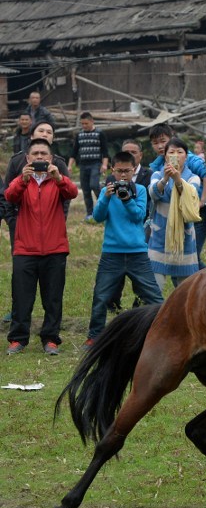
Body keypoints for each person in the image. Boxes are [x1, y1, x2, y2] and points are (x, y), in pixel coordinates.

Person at [83, 151, 164, 348]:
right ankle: (95, 336)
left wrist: (127, 199)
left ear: (133, 170)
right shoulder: (106, 191)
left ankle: (163, 331)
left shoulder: (140, 190)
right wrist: (106, 197)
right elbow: (98, 217)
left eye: (127, 171)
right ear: (113, 170)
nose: (123, 175)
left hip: (137, 253)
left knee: (153, 296)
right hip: (112, 253)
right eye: (119, 171)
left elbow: (138, 216)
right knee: (101, 296)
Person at [5, 138, 78, 356]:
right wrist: (23, 180)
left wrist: (59, 177)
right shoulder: (22, 180)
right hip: (25, 249)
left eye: (43, 154)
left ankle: (51, 338)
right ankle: (18, 339)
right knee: (21, 297)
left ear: (51, 158)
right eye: (35, 154)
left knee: (53, 298)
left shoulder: (57, 180)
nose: (39, 157)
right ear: (28, 158)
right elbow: (9, 196)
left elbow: (73, 192)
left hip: (55, 249)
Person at [147, 124, 206, 268]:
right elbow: (154, 190)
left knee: (192, 254)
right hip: (170, 212)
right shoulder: (158, 165)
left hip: (195, 210)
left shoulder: (190, 159)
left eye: (163, 141)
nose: (160, 146)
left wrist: (202, 200)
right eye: (155, 143)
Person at [3, 121, 71, 252]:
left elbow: (67, 195)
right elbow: (7, 192)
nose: (45, 134)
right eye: (41, 131)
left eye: (49, 132)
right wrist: (12, 220)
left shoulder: (59, 163)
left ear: (53, 138)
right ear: (31, 136)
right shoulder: (17, 161)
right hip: (21, 224)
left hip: (52, 226)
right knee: (21, 259)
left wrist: (62, 218)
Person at [147, 138, 200, 291]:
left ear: (186, 157)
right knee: (154, 289)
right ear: (165, 157)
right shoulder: (157, 175)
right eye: (171, 152)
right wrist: (165, 178)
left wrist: (177, 179)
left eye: (180, 152)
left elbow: (191, 197)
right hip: (159, 238)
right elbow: (153, 194)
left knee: (186, 291)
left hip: (184, 241)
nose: (175, 155)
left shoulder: (193, 177)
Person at [68, 112, 110, 222]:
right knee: (86, 190)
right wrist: (70, 165)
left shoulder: (99, 133)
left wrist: (104, 164)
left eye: (86, 123)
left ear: (92, 121)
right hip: (83, 165)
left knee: (94, 185)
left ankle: (103, 206)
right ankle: (90, 214)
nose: (84, 126)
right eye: (82, 124)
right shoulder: (79, 135)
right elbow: (74, 152)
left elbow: (105, 151)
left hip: (95, 164)